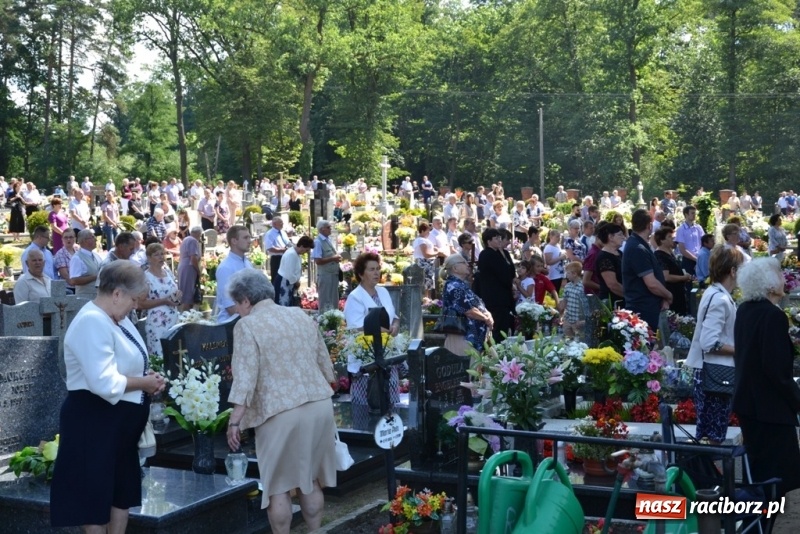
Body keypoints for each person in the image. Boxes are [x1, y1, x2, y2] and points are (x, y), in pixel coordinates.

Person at [50, 261, 166, 531]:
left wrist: (148, 377)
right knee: (93, 501)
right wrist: (144, 383)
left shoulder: (116, 319)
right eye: (134, 300)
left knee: (120, 495)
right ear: (117, 294)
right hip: (93, 424)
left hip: (117, 429)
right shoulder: (91, 321)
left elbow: (128, 362)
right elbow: (104, 382)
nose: (135, 306)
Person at [224, 269, 336, 534]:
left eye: (237, 304)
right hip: (318, 404)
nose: (237, 310)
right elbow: (324, 362)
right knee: (310, 480)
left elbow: (245, 377)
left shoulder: (247, 325)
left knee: (278, 488)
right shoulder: (299, 314)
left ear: (246, 300)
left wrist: (235, 421)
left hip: (279, 413)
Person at [734, 257, 800, 498]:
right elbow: (777, 371)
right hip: (769, 409)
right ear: (770, 284)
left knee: (759, 474)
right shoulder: (773, 316)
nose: (784, 279)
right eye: (780, 274)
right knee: (775, 478)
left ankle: (757, 515)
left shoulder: (745, 310)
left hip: (749, 403)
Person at [684, 246, 742, 445]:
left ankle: (709, 464)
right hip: (715, 375)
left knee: (710, 434)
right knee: (714, 436)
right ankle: (711, 465)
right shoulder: (720, 299)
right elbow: (709, 342)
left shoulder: (714, 293)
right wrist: (741, 350)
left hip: (710, 373)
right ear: (732, 271)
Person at [621, 209, 672, 330]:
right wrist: (668, 295)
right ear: (649, 226)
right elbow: (651, 284)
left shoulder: (639, 244)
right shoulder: (637, 248)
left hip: (648, 306)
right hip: (643, 309)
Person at [439, 253, 492, 356]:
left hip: (471, 337)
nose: (468, 264)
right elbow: (468, 310)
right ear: (455, 268)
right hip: (463, 337)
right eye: (464, 262)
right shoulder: (453, 286)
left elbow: (476, 304)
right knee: (467, 364)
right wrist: (486, 319)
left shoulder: (461, 284)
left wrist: (487, 313)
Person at [139, 243, 181, 358]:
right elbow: (140, 303)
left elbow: (173, 291)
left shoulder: (167, 272)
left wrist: (177, 295)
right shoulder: (146, 277)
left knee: (175, 354)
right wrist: (164, 301)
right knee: (160, 355)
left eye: (163, 254)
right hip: (157, 323)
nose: (161, 257)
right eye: (157, 255)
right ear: (149, 258)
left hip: (173, 319)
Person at [343, 252, 400, 333]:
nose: (376, 273)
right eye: (372, 269)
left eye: (378, 269)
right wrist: (379, 329)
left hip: (390, 339)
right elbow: (354, 329)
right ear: (361, 274)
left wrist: (395, 326)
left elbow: (394, 317)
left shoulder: (383, 291)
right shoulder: (355, 297)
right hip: (367, 341)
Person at [477, 228, 516, 342]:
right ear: (489, 241)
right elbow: (502, 273)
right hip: (494, 297)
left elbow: (511, 271)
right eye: (496, 238)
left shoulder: (501, 253)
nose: (499, 240)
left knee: (505, 325)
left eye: (500, 238)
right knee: (498, 327)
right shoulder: (487, 254)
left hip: (504, 295)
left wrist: (503, 253)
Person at [215, 225, 254, 322]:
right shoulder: (225, 267)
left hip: (249, 319)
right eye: (245, 238)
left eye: (249, 237)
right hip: (232, 323)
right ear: (234, 241)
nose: (249, 241)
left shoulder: (247, 263)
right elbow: (230, 306)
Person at [653, 227, 691, 315]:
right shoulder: (660, 255)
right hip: (671, 293)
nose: (673, 239)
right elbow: (666, 277)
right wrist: (683, 278)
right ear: (662, 240)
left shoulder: (670, 252)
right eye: (669, 237)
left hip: (679, 292)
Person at [311, 219, 341, 312]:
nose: (330, 229)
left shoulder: (328, 240)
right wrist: (333, 258)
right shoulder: (318, 242)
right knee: (325, 300)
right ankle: (324, 318)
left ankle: (334, 318)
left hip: (333, 274)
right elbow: (318, 260)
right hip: (325, 275)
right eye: (328, 227)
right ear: (322, 229)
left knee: (333, 299)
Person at [275, 236, 314, 307]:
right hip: (284, 282)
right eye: (306, 250)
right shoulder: (291, 254)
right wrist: (296, 282)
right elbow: (289, 273)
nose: (306, 252)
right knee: (283, 305)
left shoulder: (295, 253)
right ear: (301, 246)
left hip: (289, 282)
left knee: (288, 305)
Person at [596, 222, 625, 307]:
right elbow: (612, 285)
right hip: (613, 303)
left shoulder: (619, 253)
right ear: (611, 237)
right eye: (620, 235)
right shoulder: (604, 257)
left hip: (623, 300)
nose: (623, 237)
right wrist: (632, 296)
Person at [559, 261, 589, 340]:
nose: (566, 275)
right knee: (567, 339)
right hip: (568, 319)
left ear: (574, 274)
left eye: (568, 273)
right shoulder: (568, 286)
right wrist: (560, 315)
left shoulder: (583, 287)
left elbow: (586, 304)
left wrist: (583, 320)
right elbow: (564, 301)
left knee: (578, 340)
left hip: (578, 320)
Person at [69, 230, 102, 298]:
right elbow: (74, 280)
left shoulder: (96, 256)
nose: (95, 239)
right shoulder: (77, 258)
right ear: (84, 241)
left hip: (98, 297)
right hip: (84, 299)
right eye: (92, 237)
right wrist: (95, 277)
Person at [177, 227, 203, 312]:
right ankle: (186, 314)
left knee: (185, 292)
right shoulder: (193, 241)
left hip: (183, 266)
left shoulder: (186, 239)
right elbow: (193, 258)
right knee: (188, 294)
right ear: (199, 234)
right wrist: (198, 271)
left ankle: (186, 312)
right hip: (189, 268)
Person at [675, 205, 704, 276]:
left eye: (695, 213)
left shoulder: (698, 228)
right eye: (692, 213)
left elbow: (704, 243)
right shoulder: (681, 229)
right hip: (688, 260)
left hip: (699, 259)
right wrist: (695, 259)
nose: (694, 215)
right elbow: (682, 249)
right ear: (686, 215)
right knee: (689, 280)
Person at [412, 221, 439, 298]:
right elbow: (426, 254)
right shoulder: (421, 240)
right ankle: (426, 300)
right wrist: (436, 253)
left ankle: (427, 299)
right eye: (427, 231)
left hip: (427, 263)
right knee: (426, 283)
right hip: (424, 263)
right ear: (422, 231)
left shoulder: (422, 240)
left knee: (428, 284)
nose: (428, 233)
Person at [264, 217, 291, 283]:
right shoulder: (269, 234)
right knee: (276, 278)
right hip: (277, 259)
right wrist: (282, 250)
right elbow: (270, 248)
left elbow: (288, 242)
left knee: (286, 278)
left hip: (286, 257)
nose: (282, 224)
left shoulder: (283, 232)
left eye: (282, 222)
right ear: (274, 224)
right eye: (280, 222)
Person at [54, 228, 78, 293]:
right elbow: (65, 275)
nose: (68, 239)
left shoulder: (78, 250)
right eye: (66, 237)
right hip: (69, 288)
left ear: (75, 239)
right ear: (62, 239)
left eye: (71, 237)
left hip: (81, 286)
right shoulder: (60, 254)